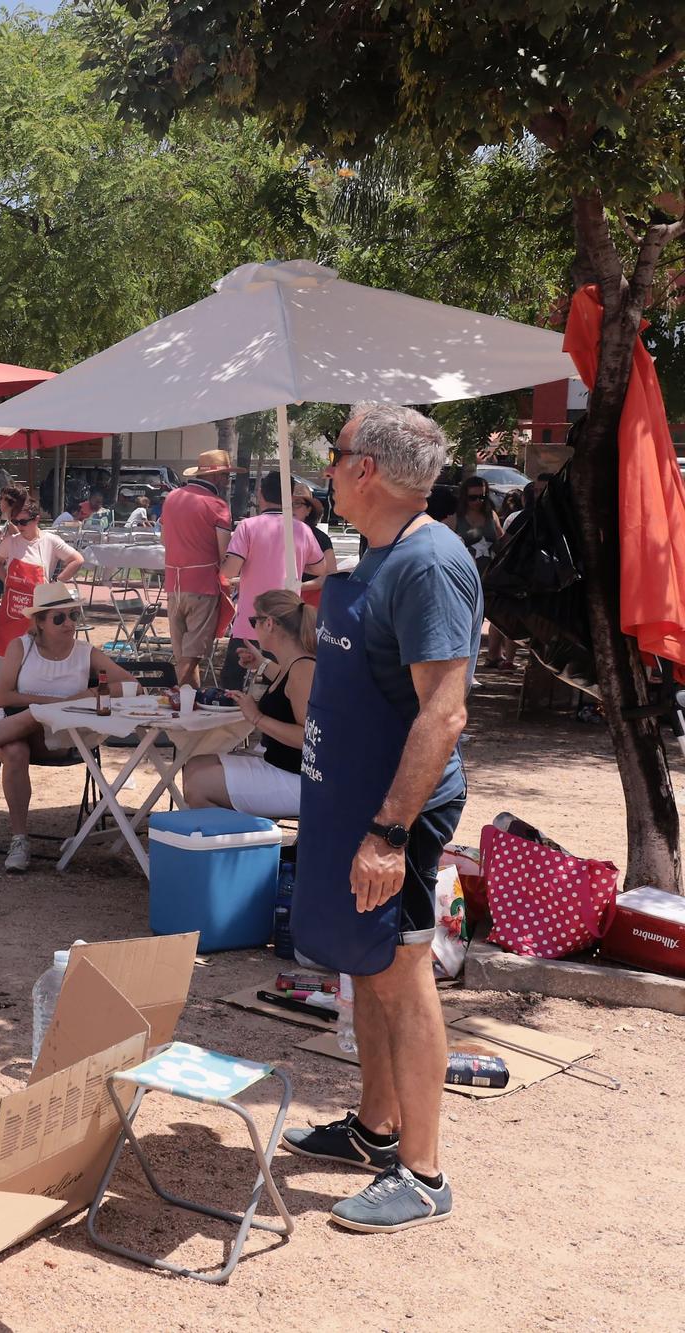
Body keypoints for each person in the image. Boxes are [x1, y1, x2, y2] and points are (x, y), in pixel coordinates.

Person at [283, 404, 477, 1235]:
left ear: (367, 469)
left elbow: (444, 714)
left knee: (402, 976)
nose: (325, 471)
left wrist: (390, 833)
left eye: (333, 456)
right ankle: (374, 1128)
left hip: (398, 813)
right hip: (354, 797)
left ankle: (424, 1172)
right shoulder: (381, 554)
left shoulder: (430, 563)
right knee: (366, 966)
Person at [0, 582, 136, 872]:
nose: (69, 623)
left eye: (73, 615)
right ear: (41, 622)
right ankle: (19, 840)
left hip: (62, 738)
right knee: (16, 748)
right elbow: (3, 698)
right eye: (59, 617)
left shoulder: (86, 652)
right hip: (16, 731)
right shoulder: (20, 647)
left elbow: (133, 685)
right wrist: (54, 704)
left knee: (33, 719)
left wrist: (91, 695)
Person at [182, 589, 316, 818]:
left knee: (198, 785)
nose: (252, 627)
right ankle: (229, 840)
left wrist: (257, 718)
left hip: (297, 779)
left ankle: (236, 847)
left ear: (270, 624)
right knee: (194, 765)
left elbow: (307, 738)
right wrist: (260, 663)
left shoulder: (303, 669)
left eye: (255, 621)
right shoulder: (295, 665)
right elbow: (286, 682)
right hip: (279, 765)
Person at [218, 472, 334, 688]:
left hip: (250, 623)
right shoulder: (302, 530)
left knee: (232, 687)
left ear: (261, 495)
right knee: (282, 687)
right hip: (288, 622)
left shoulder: (248, 527)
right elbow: (320, 568)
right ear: (290, 497)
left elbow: (229, 570)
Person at [0, 488, 84, 687]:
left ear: (37, 519)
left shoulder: (50, 540)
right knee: (12, 652)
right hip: (13, 609)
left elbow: (77, 559)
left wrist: (57, 583)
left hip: (38, 609)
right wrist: (6, 579)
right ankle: (13, 688)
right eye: (16, 522)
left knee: (37, 650)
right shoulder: (11, 542)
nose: (20, 526)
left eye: (24, 522)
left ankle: (36, 687)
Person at [161, 448, 236, 689]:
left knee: (184, 654)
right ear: (215, 477)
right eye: (225, 476)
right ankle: (172, 697)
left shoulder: (172, 498)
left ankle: (186, 705)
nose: (227, 481)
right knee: (193, 655)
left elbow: (164, 540)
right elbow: (224, 552)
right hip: (203, 585)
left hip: (174, 584)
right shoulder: (217, 505)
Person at [447, 475, 514, 669]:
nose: (478, 502)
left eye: (482, 497)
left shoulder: (491, 516)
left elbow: (502, 541)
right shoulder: (455, 519)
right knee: (465, 623)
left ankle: (492, 656)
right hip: (464, 579)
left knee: (493, 618)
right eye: (473, 497)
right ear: (464, 498)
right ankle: (463, 666)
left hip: (490, 578)